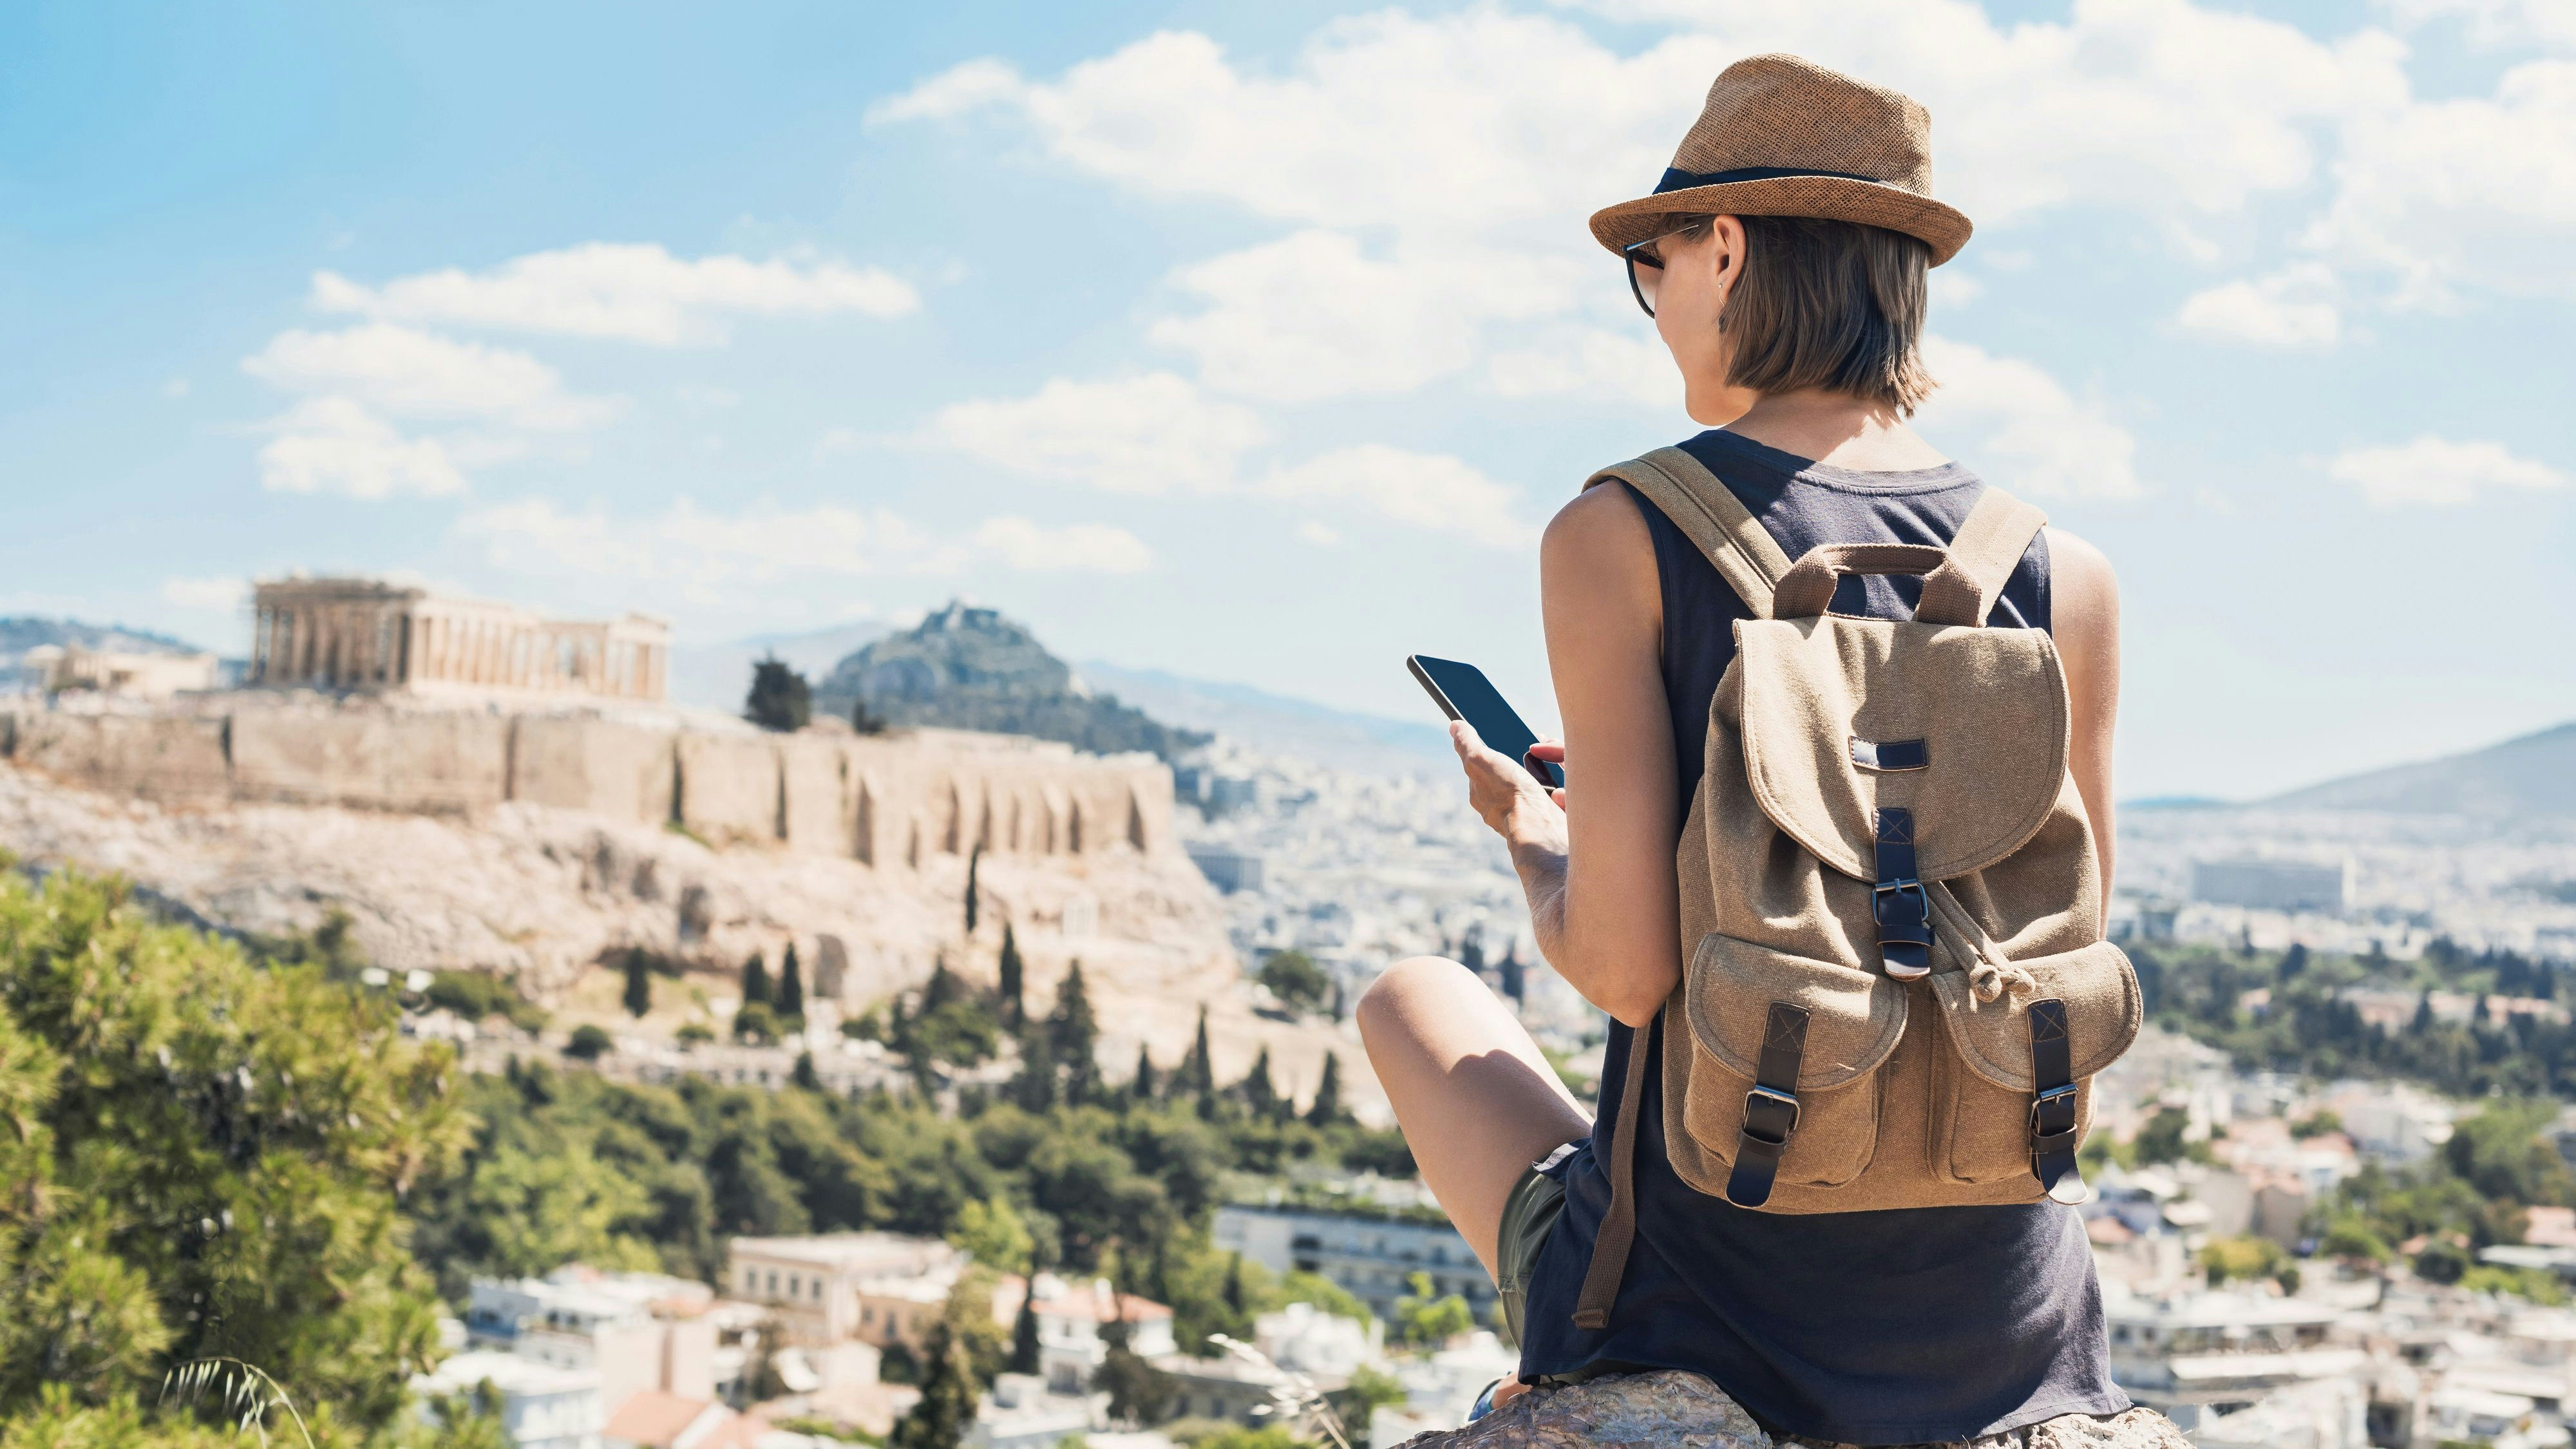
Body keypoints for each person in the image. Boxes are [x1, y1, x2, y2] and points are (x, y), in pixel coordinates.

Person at [1356, 55, 2181, 1448]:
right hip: (2006, 1324)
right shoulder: (2064, 572)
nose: (1651, 299)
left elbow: (1624, 972)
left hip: (1712, 1307)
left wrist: (1540, 845)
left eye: (1650, 261)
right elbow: (2066, 934)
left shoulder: (1621, 533)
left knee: (1409, 999)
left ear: (1724, 247)